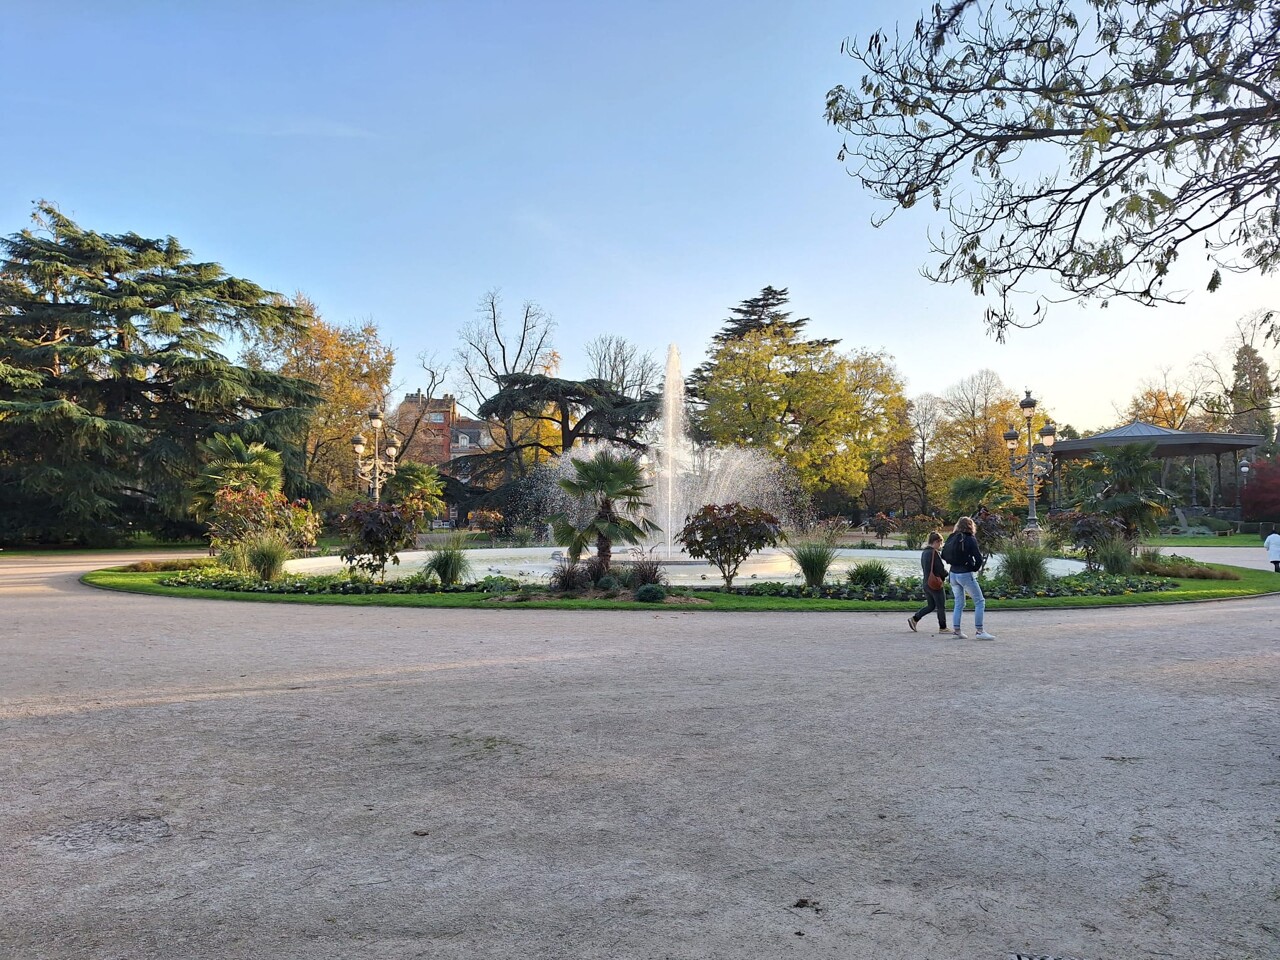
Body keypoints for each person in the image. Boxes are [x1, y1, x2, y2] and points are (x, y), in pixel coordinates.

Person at [944, 516, 996, 641]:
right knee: (979, 601)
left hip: (953, 573)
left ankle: (957, 631)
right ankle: (979, 631)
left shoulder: (952, 537)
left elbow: (944, 554)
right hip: (965, 573)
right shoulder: (970, 539)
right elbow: (978, 558)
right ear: (971, 526)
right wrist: (973, 568)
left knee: (959, 603)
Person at [907, 532, 950, 635]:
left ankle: (915, 618)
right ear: (936, 542)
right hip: (935, 583)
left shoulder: (925, 552)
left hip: (926, 582)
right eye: (940, 543)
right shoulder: (934, 553)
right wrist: (946, 574)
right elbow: (940, 569)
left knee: (931, 605)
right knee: (941, 606)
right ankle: (943, 627)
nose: (940, 546)